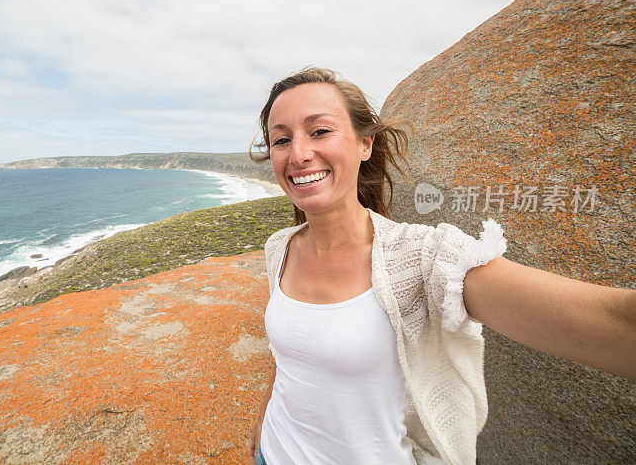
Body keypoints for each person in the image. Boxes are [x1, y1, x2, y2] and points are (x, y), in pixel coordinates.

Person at [246, 67, 636, 465]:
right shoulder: (281, 247)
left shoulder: (422, 256)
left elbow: (615, 323)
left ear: (365, 143)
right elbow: (289, 357)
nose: (298, 154)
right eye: (281, 139)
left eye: (320, 131)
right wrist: (262, 425)